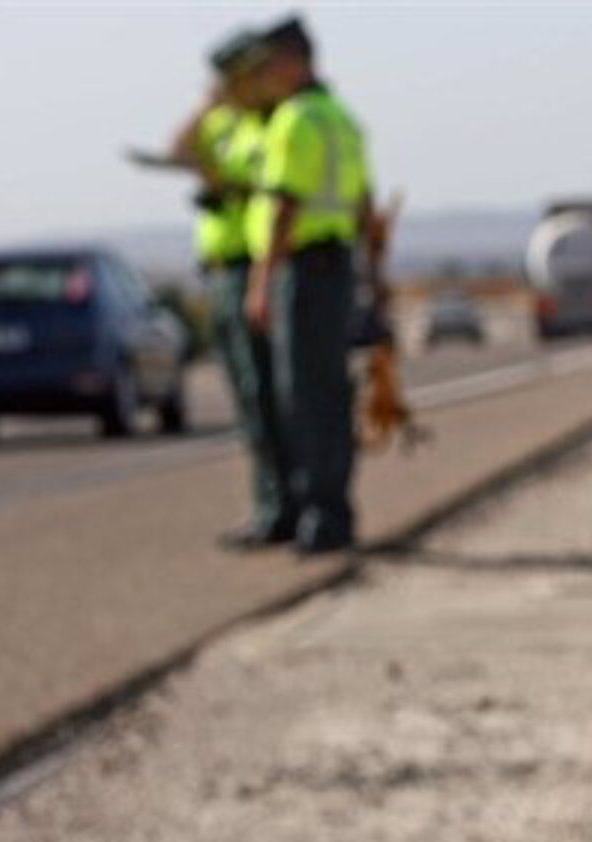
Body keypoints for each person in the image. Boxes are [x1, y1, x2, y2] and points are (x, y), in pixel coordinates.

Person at [243, 16, 384, 554]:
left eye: (269, 65)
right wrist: (372, 275)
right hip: (337, 267)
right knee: (328, 392)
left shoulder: (296, 120)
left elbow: (284, 205)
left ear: (294, 61)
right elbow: (366, 206)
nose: (265, 77)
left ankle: (318, 515)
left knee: (301, 396)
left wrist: (261, 282)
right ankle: (333, 510)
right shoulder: (341, 119)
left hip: (302, 270)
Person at [170, 29, 298, 550]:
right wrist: (207, 105)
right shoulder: (224, 122)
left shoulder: (264, 125)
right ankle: (272, 504)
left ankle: (282, 507)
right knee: (250, 400)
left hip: (252, 266)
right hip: (221, 268)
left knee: (266, 395)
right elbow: (178, 149)